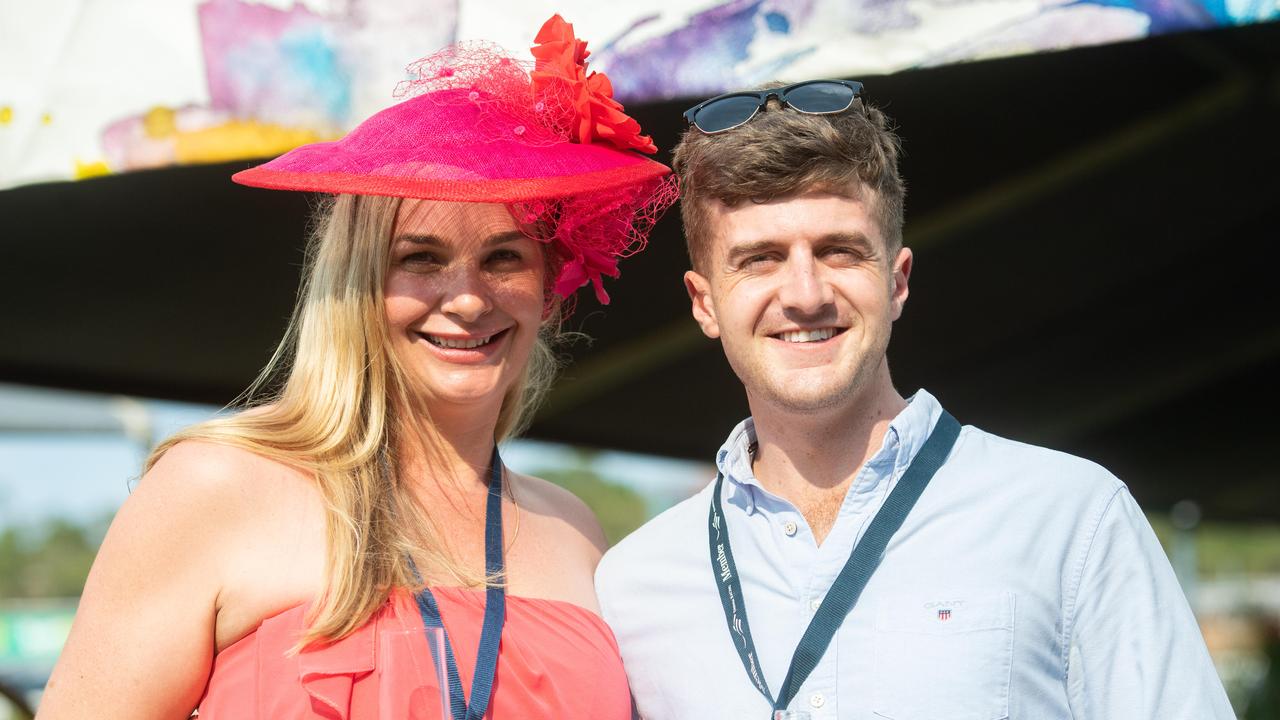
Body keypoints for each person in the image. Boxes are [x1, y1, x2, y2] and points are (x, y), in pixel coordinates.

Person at [38, 15, 675, 720]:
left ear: (549, 289)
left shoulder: (574, 531)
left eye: (503, 258)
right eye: (420, 259)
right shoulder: (216, 490)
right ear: (357, 283)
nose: (466, 299)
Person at [595, 81, 1234, 719]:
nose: (805, 293)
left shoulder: (1071, 519)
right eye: (759, 260)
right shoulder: (635, 585)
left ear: (897, 281)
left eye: (839, 251)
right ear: (705, 303)